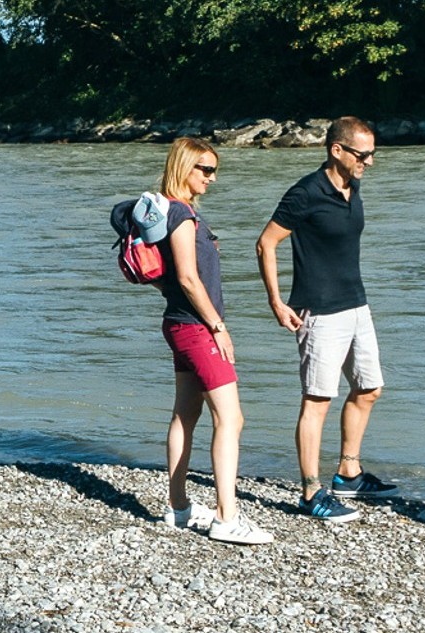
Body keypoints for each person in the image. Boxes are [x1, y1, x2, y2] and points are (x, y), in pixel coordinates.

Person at [252, 116, 395, 523]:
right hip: (319, 311)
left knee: (369, 389)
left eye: (372, 154)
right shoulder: (305, 193)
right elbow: (266, 243)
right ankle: (311, 492)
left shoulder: (354, 185)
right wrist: (277, 302)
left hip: (356, 306)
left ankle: (348, 473)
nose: (369, 162)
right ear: (337, 150)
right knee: (317, 402)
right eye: (363, 154)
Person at [149, 137, 271, 545]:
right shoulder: (180, 214)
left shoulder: (170, 211)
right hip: (196, 329)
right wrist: (218, 325)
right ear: (183, 166)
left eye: (214, 170)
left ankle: (178, 507)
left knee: (186, 413)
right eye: (204, 169)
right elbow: (186, 276)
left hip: (179, 324)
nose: (211, 177)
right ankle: (226, 517)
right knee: (231, 418)